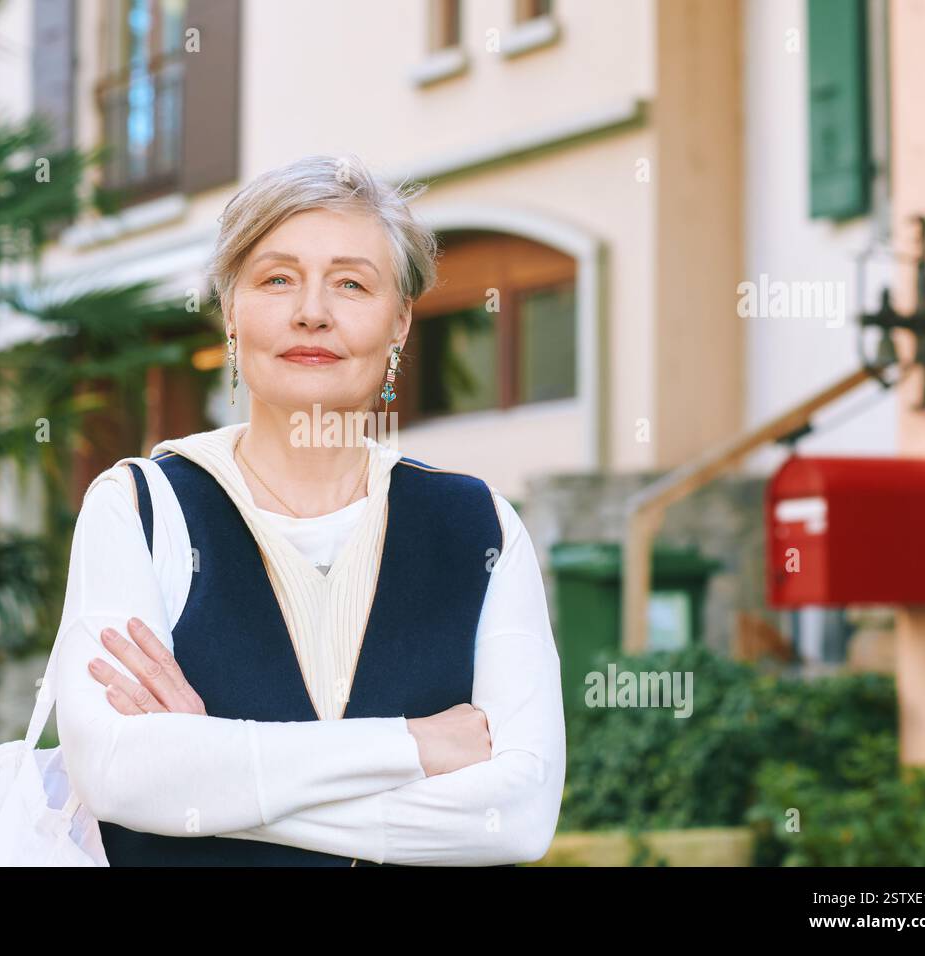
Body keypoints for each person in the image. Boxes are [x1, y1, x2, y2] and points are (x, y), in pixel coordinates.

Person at [52, 153, 565, 866]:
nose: (312, 313)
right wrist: (414, 745)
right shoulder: (139, 509)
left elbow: (515, 820)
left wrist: (212, 776)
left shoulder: (478, 526)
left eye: (351, 283)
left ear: (400, 323)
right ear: (231, 310)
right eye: (277, 279)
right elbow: (116, 773)